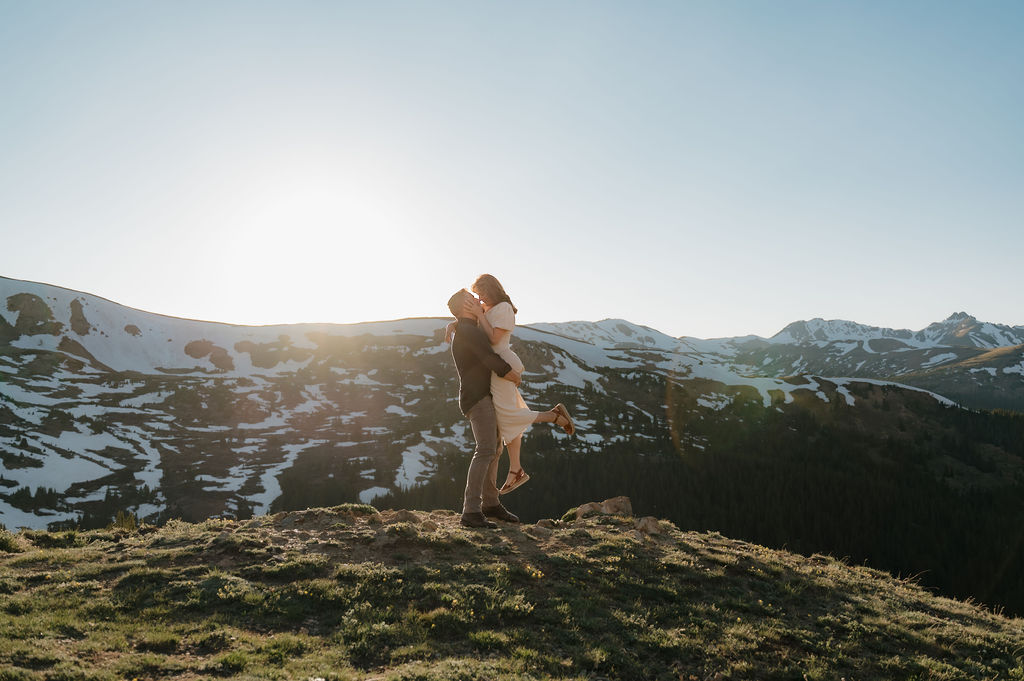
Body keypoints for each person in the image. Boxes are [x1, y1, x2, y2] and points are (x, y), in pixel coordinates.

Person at [448, 274, 575, 496]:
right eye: (476, 295)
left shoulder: (503, 308)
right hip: (498, 368)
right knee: (508, 416)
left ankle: (554, 416)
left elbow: (494, 340)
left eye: (481, 293)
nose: (479, 298)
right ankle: (515, 470)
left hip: (503, 365)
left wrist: (478, 314)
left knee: (508, 415)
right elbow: (473, 323)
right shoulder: (487, 309)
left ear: (491, 289)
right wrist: (456, 322)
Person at [446, 288, 523, 529]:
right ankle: (471, 511)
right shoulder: (469, 332)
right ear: (464, 307)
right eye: (473, 299)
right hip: (477, 398)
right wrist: (510, 374)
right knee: (486, 450)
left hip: (481, 396)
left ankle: (490, 504)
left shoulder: (468, 328)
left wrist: (454, 323)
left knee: (494, 450)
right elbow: (487, 356)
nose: (479, 300)